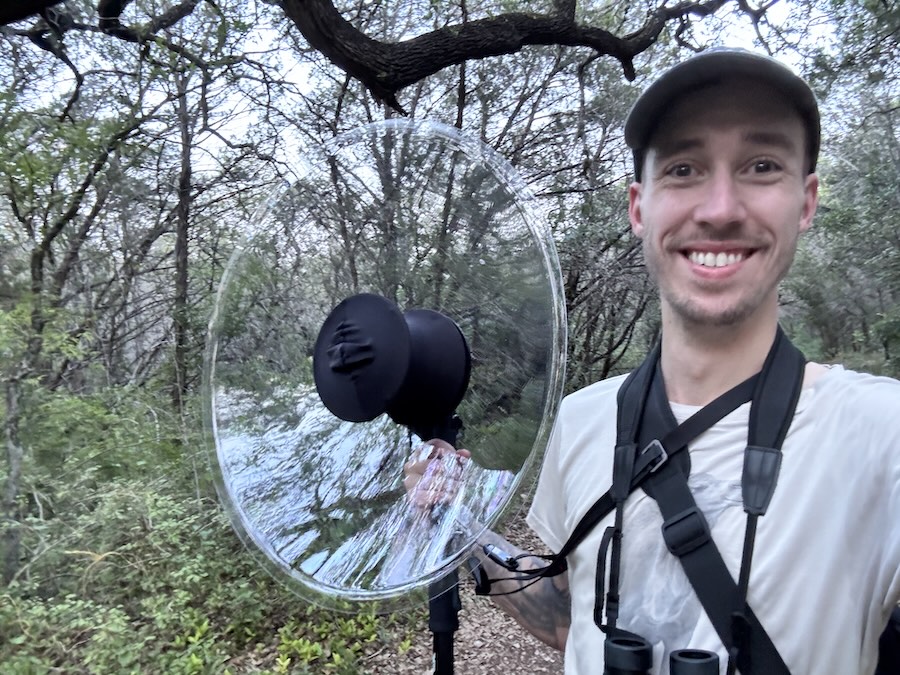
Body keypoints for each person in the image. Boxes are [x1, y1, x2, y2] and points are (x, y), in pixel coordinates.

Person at [405, 48, 900, 674]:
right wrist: (457, 527)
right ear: (640, 207)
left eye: (762, 165)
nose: (720, 208)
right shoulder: (583, 420)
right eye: (685, 168)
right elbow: (568, 620)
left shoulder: (881, 436)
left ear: (805, 202)